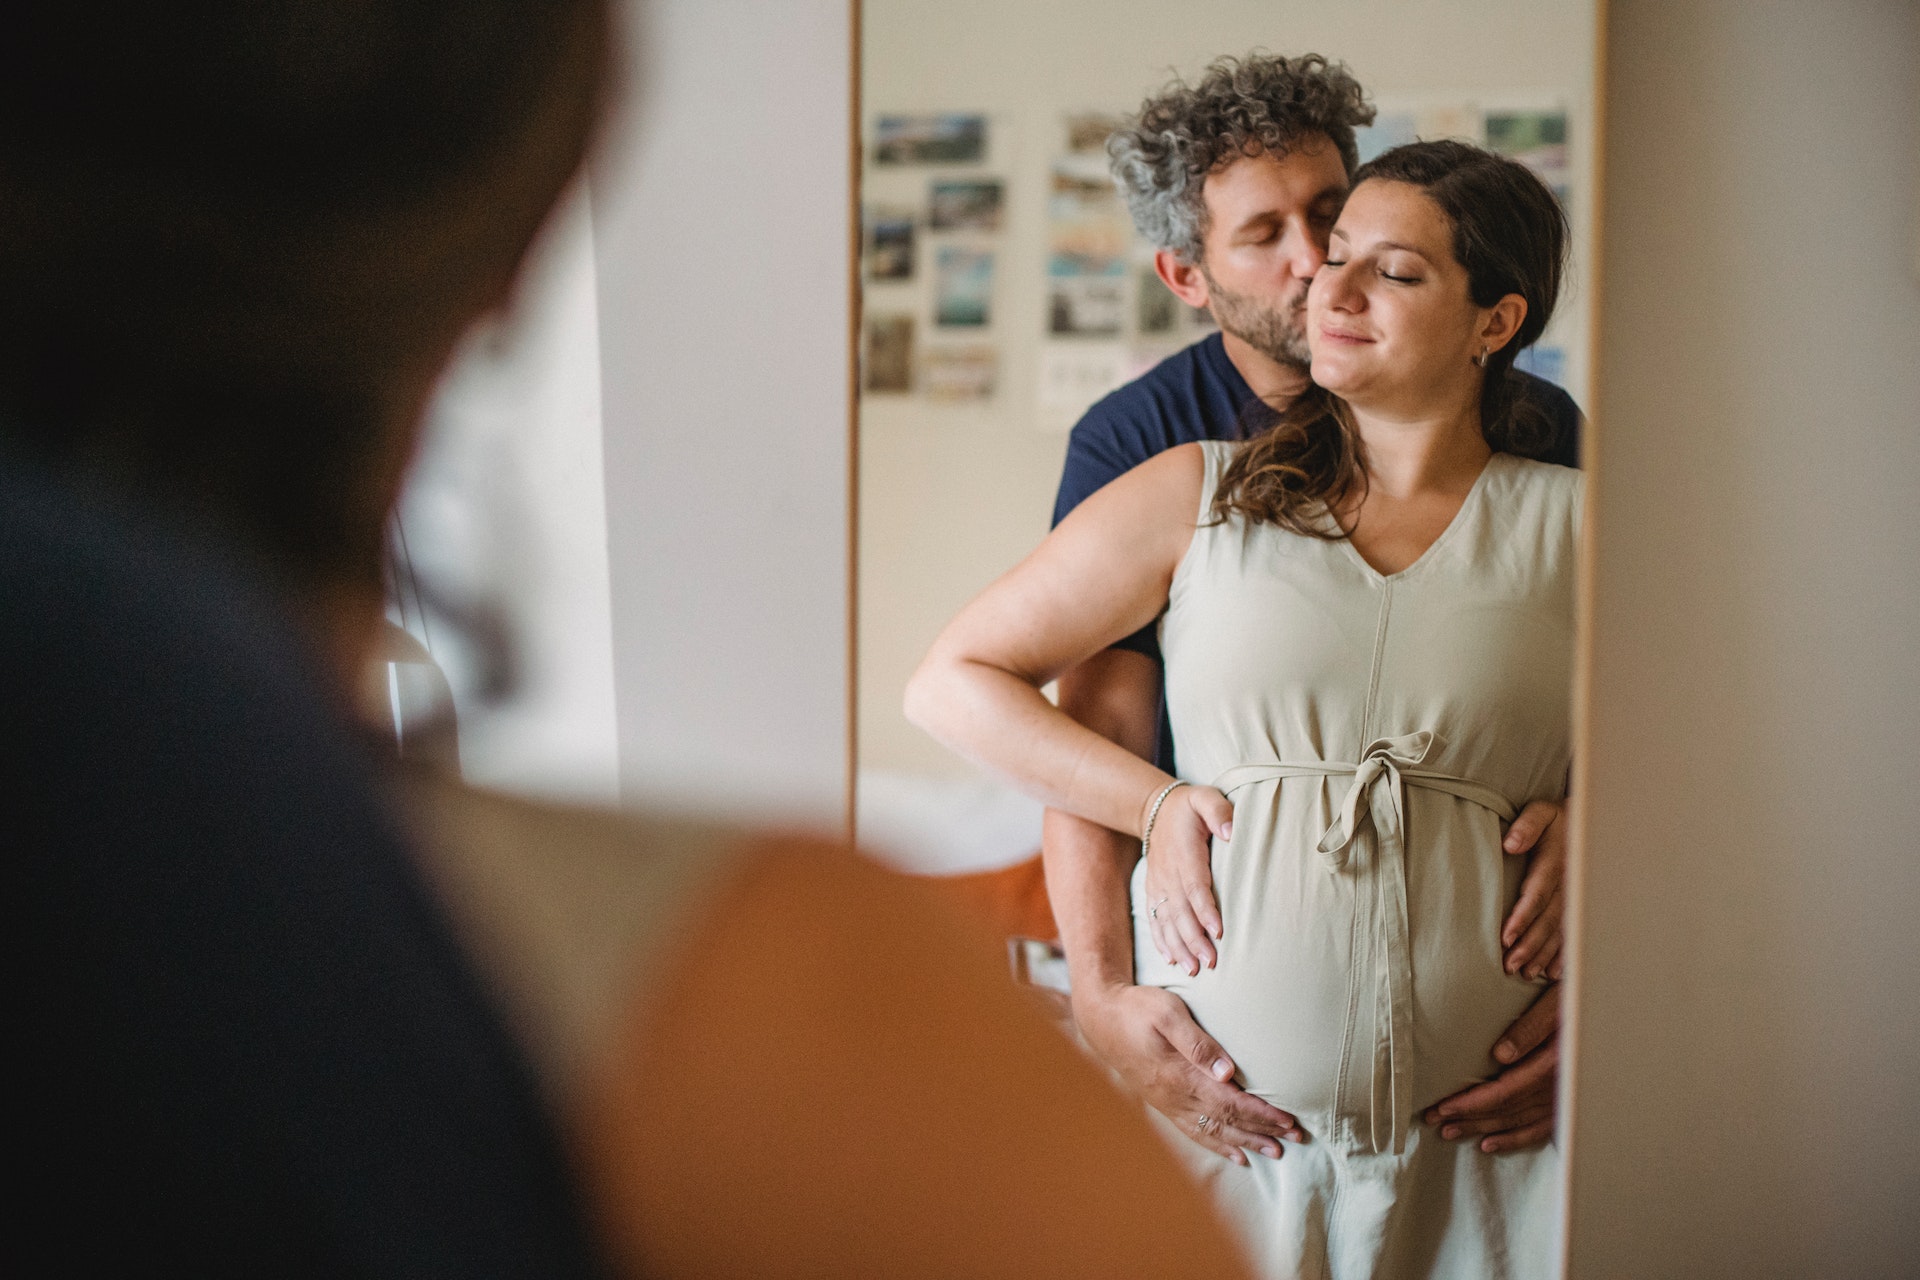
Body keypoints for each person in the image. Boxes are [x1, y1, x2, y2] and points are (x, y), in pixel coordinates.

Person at [6, 2, 1253, 1275]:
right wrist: (1136, 876)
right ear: (519, 236)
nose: (1318, 265)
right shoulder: (756, 1011)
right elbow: (1012, 689)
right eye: (1275, 229)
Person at [907, 138, 1580, 1275]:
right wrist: (1160, 804)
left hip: (1500, 1149)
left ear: (1494, 321)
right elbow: (954, 686)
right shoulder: (1192, 489)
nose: (1332, 283)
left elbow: (1729, 750)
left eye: (1395, 270)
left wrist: (1604, 818)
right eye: (1335, 256)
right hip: (1232, 1133)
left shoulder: (1583, 519)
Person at [1043, 55, 1570, 1174]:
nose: (1310, 265)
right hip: (1231, 1000)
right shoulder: (1144, 449)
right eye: (1263, 235)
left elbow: (1613, 687)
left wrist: (1607, 826)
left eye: (1330, 216)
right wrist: (1098, 993)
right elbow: (1092, 736)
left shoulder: (1537, 428)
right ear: (1186, 274)